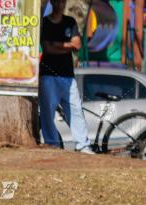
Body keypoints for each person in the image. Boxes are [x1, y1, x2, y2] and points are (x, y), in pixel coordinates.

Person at [39, 0, 93, 154]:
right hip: (49, 75)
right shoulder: (45, 22)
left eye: (62, 1)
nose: (60, 4)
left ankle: (83, 145)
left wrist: (58, 45)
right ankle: (52, 145)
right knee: (48, 112)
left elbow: (77, 45)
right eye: (57, 1)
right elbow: (47, 49)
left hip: (68, 76)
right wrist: (66, 46)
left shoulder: (70, 21)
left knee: (76, 109)